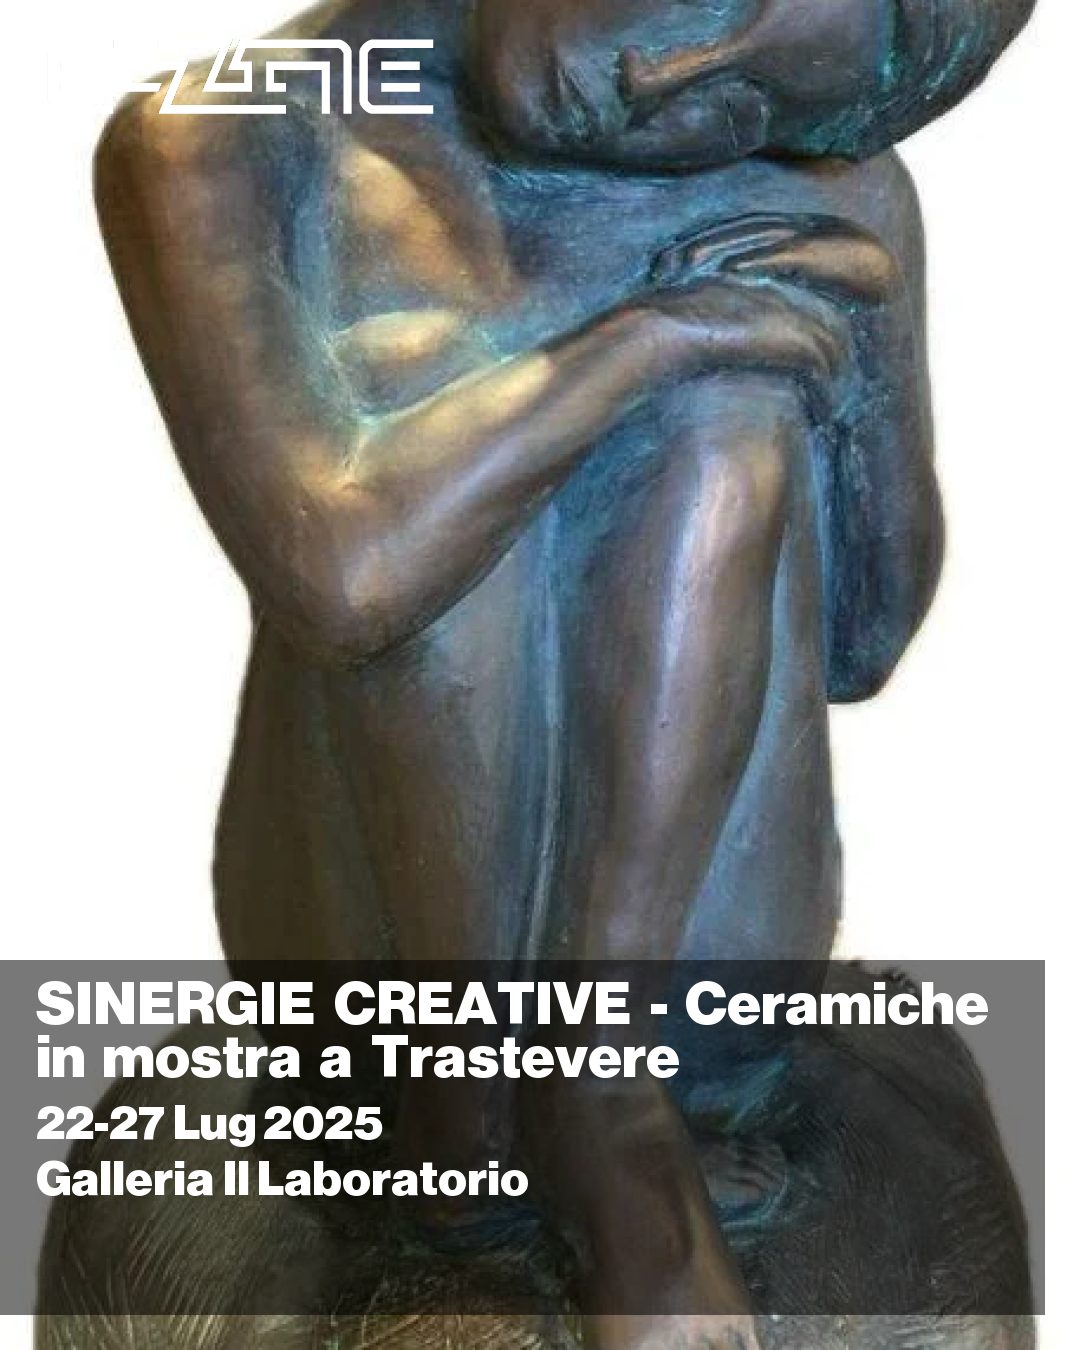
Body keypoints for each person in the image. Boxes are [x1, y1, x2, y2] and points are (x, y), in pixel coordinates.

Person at [92, 1, 1036, 1344]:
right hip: (396, 1012)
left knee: (731, 421)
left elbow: (861, 649)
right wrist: (646, 341)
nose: (663, 76)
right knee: (443, 431)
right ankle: (489, 1146)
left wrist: (860, 365)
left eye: (752, 101)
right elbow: (343, 579)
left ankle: (602, 1091)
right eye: (694, 0)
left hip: (704, 977)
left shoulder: (821, 188)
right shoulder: (224, 137)